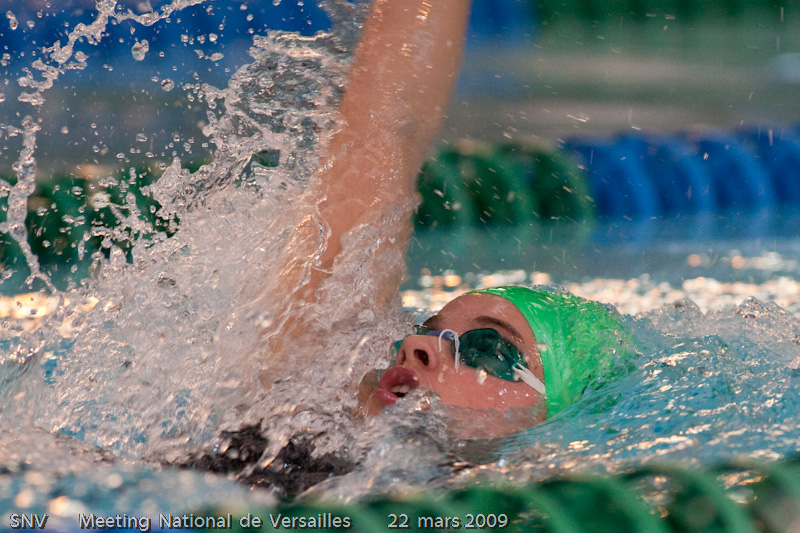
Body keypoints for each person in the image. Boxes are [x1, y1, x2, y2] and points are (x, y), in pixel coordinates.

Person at [274, 0, 637, 436]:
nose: (415, 346)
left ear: (559, 422)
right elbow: (386, 131)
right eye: (423, 331)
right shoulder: (287, 421)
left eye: (488, 351)